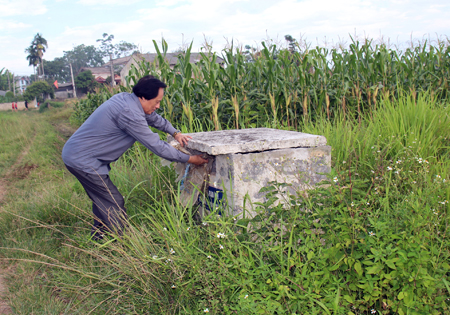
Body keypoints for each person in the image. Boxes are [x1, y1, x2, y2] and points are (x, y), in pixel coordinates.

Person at [62, 75, 207, 240]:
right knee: (114, 202)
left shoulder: (129, 100)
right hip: (83, 161)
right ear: (144, 97)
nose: (158, 106)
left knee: (102, 200)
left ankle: (99, 238)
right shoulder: (128, 112)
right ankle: (121, 243)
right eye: (157, 102)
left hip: (80, 156)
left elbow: (154, 118)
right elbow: (157, 146)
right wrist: (190, 159)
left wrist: (175, 133)